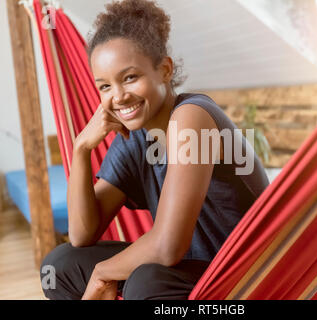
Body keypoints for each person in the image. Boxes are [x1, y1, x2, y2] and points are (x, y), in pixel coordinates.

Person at [40, 0, 269, 300]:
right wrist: (81, 149)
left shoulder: (193, 117)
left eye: (130, 77)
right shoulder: (134, 139)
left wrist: (102, 273)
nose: (118, 97)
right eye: (105, 86)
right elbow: (83, 235)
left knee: (146, 281)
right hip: (186, 273)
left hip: (241, 278)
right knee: (59, 266)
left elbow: (167, 246)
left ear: (164, 70)